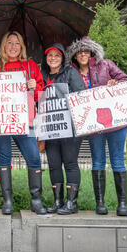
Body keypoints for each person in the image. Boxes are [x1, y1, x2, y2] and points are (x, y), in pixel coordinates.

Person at [65, 36, 127, 216]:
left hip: (115, 122)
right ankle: (100, 203)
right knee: (98, 161)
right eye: (79, 51)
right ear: (75, 55)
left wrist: (115, 83)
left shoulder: (106, 65)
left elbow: (125, 80)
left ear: (92, 52)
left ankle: (122, 204)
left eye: (86, 50)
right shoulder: (71, 72)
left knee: (117, 160)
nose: (83, 54)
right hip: (93, 124)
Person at [0, 31, 46, 215]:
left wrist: (34, 87)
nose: (13, 47)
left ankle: (36, 200)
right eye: (9, 43)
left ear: (21, 46)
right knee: (4, 159)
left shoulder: (30, 67)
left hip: (25, 119)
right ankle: (7, 201)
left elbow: (40, 94)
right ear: (3, 46)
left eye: (17, 43)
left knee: (34, 158)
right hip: (2, 120)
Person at [40, 43, 85, 215]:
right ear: (46, 58)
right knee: (53, 165)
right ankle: (58, 201)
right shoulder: (42, 75)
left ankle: (72, 203)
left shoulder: (70, 73)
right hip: (50, 127)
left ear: (62, 58)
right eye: (49, 55)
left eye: (57, 55)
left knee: (70, 163)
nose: (53, 58)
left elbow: (80, 95)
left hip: (70, 127)